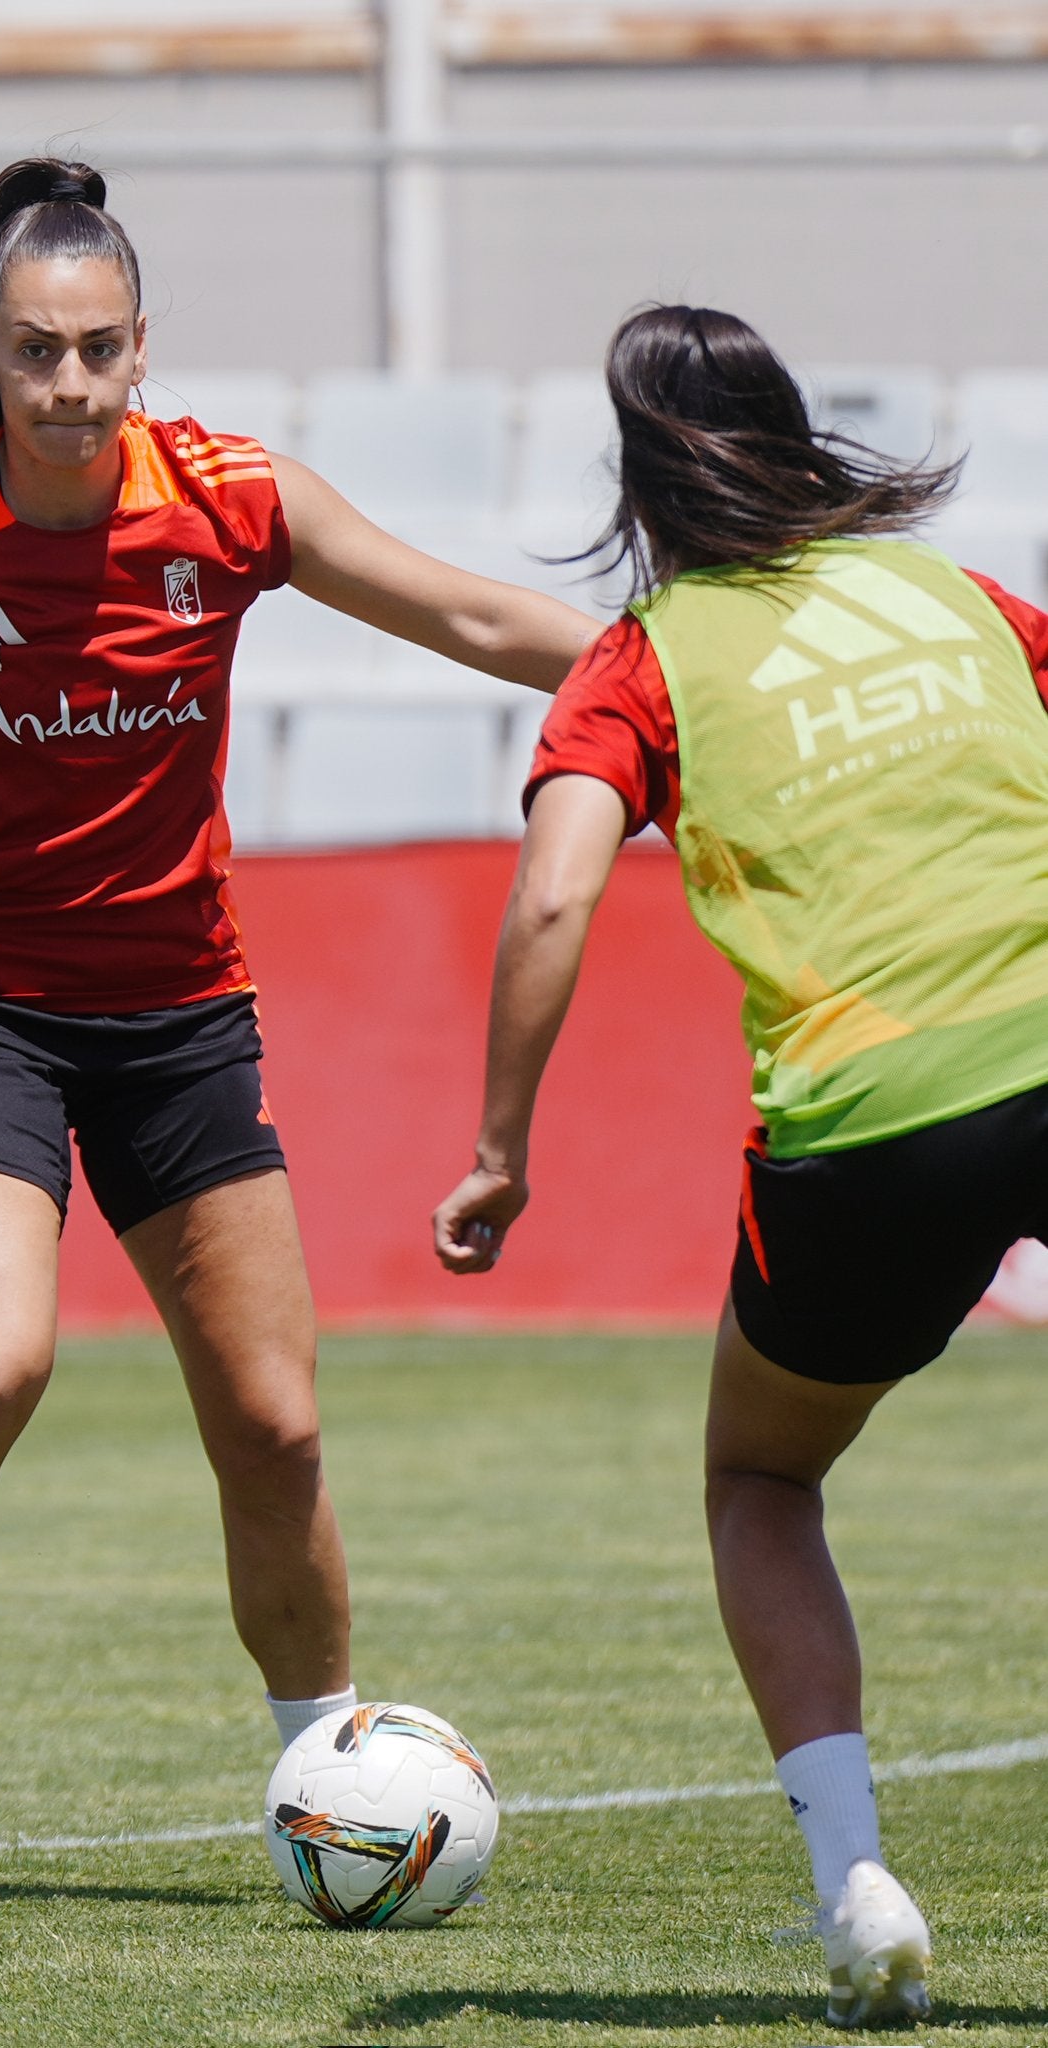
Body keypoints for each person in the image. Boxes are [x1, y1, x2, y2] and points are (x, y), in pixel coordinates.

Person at [0, 154, 596, 1906]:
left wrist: (657, 676)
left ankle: (333, 1784)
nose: (71, 388)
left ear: (141, 348)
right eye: (37, 355)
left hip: (178, 1017)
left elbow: (466, 610)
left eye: (99, 351)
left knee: (273, 1424)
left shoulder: (230, 502)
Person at [431, 303, 1048, 2028]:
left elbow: (555, 891)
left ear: (644, 484)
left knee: (760, 1484)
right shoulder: (953, 593)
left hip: (871, 1126)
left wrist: (497, 1149)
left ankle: (854, 1884)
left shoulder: (643, 656)